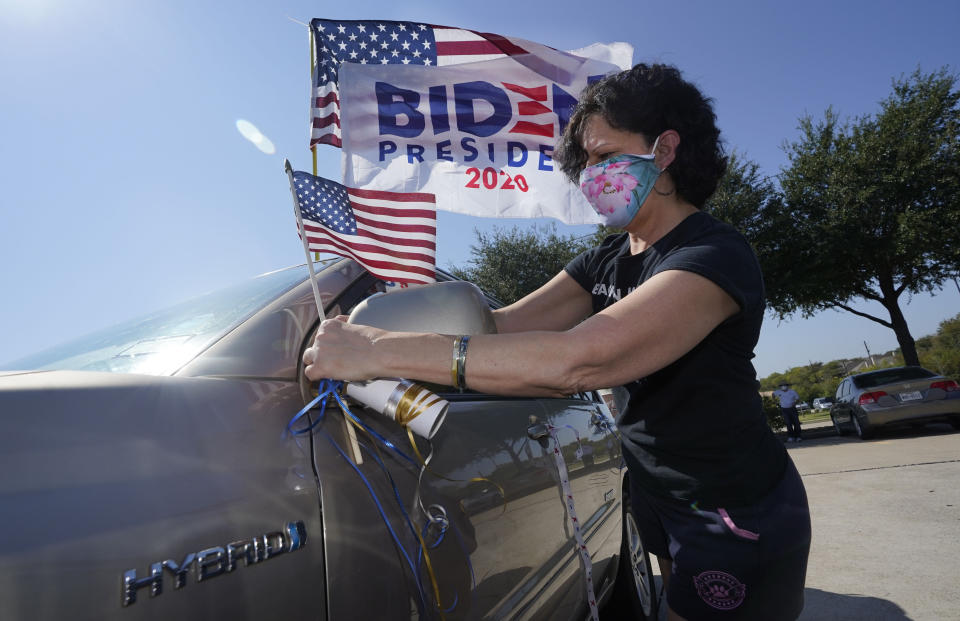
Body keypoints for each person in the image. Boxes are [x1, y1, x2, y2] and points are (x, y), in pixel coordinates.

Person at [303, 63, 811, 620]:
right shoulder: (607, 259)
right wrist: (376, 323)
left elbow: (581, 360)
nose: (589, 176)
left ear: (663, 150)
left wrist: (377, 351)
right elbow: (497, 327)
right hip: (656, 492)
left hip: (733, 507)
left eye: (603, 156)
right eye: (584, 162)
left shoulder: (711, 256)